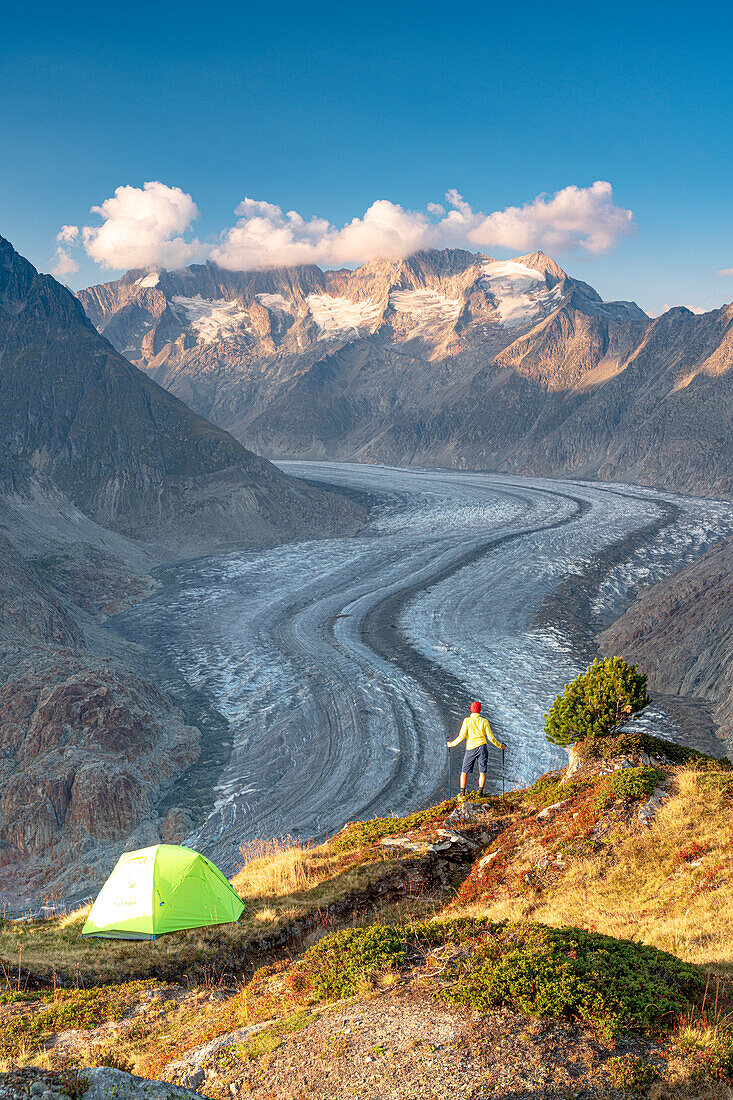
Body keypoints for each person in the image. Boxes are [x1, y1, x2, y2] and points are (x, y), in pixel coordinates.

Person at [447, 701, 505, 798]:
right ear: (480, 710)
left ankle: (462, 794)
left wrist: (451, 744)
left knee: (464, 771)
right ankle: (480, 793)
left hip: (471, 748)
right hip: (482, 747)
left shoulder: (467, 721)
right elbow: (491, 738)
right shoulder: (484, 721)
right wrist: (500, 746)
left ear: (471, 709)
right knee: (482, 771)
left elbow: (461, 736)